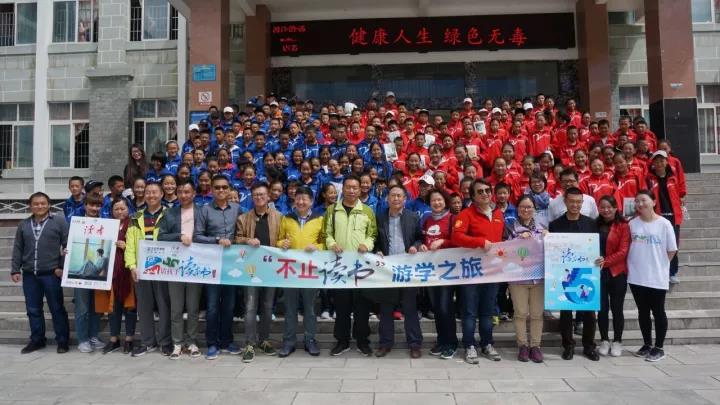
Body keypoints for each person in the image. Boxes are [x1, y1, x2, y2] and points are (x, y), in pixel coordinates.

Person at [323, 175, 377, 356]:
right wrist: (332, 244)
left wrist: (367, 245)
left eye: (355, 187)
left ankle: (362, 341)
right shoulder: (332, 210)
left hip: (361, 267)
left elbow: (373, 235)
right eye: (348, 187)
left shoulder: (367, 211)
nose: (352, 190)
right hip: (340, 266)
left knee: (362, 307)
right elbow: (326, 233)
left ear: (360, 190)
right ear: (343, 189)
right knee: (342, 306)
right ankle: (342, 341)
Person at [451, 179, 504, 363]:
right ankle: (469, 345)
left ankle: (487, 344)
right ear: (473, 196)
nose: (485, 194)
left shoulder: (498, 214)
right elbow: (456, 237)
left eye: (487, 190)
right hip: (471, 272)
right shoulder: (465, 214)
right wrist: (480, 242)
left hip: (492, 271)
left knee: (488, 311)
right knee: (469, 311)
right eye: (480, 191)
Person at [11, 192, 70, 354]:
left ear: (49, 204)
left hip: (52, 273)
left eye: (43, 203)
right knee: (33, 309)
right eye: (36, 204)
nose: (40, 206)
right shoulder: (23, 224)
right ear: (30, 206)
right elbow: (18, 248)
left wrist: (61, 266)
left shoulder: (59, 222)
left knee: (57, 308)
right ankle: (37, 340)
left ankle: (62, 341)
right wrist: (15, 269)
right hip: (30, 274)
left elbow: (67, 245)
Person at [194, 174, 242, 360]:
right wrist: (216, 240)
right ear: (212, 190)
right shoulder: (205, 210)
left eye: (224, 187)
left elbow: (245, 229)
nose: (221, 190)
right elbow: (197, 236)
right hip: (212, 264)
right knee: (213, 306)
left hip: (232, 264)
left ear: (229, 189)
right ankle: (212, 343)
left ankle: (227, 341)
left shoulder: (237, 209)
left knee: (229, 306)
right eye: (217, 187)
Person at [549, 187, 600, 361]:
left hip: (587, 272)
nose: (575, 205)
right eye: (572, 201)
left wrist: (600, 258)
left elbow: (596, 247)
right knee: (565, 312)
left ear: (582, 203)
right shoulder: (555, 225)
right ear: (565, 202)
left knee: (589, 312)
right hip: (565, 273)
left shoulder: (591, 223)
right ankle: (568, 346)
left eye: (579, 202)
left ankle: (589, 346)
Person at [373, 184, 424, 358]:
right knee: (386, 309)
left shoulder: (413, 217)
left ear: (405, 199)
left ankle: (415, 344)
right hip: (387, 269)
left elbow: (420, 238)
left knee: (410, 308)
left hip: (407, 268)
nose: (395, 198)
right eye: (392, 195)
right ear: (387, 199)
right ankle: (385, 343)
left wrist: (415, 246)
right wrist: (377, 250)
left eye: (399, 196)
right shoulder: (380, 218)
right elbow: (375, 241)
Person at [627, 191, 678, 362]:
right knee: (643, 312)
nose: (640, 204)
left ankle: (659, 347)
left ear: (654, 202)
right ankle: (647, 344)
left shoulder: (664, 224)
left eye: (643, 200)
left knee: (658, 311)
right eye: (637, 201)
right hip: (636, 275)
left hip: (656, 276)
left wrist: (659, 264)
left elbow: (672, 249)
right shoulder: (632, 224)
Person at [235, 182, 283, 362]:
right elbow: (237, 239)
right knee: (250, 306)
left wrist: (284, 243)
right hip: (251, 269)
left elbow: (283, 239)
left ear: (269, 196)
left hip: (271, 269)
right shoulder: (244, 218)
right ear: (252, 197)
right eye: (255, 195)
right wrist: (247, 240)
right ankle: (249, 343)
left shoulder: (279, 217)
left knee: (268, 306)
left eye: (262, 194)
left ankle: (264, 340)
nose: (259, 197)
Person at [124, 182, 173, 357]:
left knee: (164, 306)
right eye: (148, 192)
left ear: (161, 194)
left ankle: (165, 342)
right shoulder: (135, 217)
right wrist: (132, 266)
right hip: (142, 270)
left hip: (163, 269)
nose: (151, 195)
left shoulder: (170, 215)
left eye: (154, 192)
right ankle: (147, 342)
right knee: (144, 308)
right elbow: (130, 244)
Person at [276, 186, 324, 357]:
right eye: (298, 198)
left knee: (310, 309)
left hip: (310, 271)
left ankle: (310, 340)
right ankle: (289, 341)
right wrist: (282, 244)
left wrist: (317, 247)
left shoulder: (319, 219)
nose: (301, 202)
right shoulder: (286, 218)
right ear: (294, 200)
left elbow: (325, 243)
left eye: (305, 199)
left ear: (311, 201)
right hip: (290, 270)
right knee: (290, 308)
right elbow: (278, 240)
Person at [157, 179, 203, 359]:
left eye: (187, 192)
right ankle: (177, 343)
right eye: (180, 192)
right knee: (176, 308)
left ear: (194, 194)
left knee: (193, 307)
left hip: (196, 265)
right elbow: (161, 236)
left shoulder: (202, 212)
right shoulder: (169, 213)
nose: (183, 195)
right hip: (175, 266)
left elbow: (207, 235)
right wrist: (179, 236)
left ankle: (191, 342)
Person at [504, 195, 546, 363]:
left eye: (529, 207)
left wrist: (550, 238)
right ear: (517, 209)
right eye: (523, 207)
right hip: (518, 278)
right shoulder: (509, 227)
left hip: (539, 278)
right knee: (520, 313)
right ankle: (522, 345)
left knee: (537, 314)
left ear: (534, 209)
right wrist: (517, 241)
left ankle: (535, 346)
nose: (526, 210)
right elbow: (503, 251)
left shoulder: (543, 229)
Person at [421, 189, 458, 359]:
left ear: (445, 201)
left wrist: (443, 241)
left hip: (447, 270)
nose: (436, 203)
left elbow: (458, 241)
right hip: (431, 270)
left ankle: (451, 343)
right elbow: (424, 240)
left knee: (445, 307)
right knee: (436, 308)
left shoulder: (452, 218)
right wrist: (422, 246)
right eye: (433, 200)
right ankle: (441, 340)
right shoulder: (427, 220)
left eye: (439, 200)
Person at [97, 198, 136, 355]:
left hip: (128, 272)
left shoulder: (134, 224)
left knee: (130, 307)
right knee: (113, 307)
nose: (119, 212)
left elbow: (140, 245)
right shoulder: (106, 226)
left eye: (122, 209)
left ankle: (129, 339)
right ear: (111, 211)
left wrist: (126, 246)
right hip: (111, 272)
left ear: (128, 209)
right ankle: (114, 339)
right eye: (116, 209)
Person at [595, 195, 630, 358]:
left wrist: (606, 261)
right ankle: (604, 340)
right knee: (602, 309)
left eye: (609, 207)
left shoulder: (623, 225)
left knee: (617, 309)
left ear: (616, 208)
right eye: (602, 207)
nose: (606, 210)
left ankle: (617, 341)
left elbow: (623, 251)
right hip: (598, 272)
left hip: (617, 272)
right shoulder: (594, 224)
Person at [645, 150, 685, 284]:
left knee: (673, 245)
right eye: (656, 161)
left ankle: (672, 272)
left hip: (673, 217)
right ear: (653, 163)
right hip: (657, 217)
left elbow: (679, 195)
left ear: (667, 162)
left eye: (662, 160)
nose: (659, 163)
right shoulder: (649, 179)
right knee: (658, 246)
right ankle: (660, 272)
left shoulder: (673, 178)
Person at [74, 195, 105, 353]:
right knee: (82, 308)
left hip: (97, 277)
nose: (94, 208)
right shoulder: (77, 224)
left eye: (97, 206)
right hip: (84, 279)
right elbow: (66, 242)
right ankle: (83, 339)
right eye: (91, 205)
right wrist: (65, 250)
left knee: (96, 308)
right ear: (85, 206)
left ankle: (93, 336)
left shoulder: (106, 224)